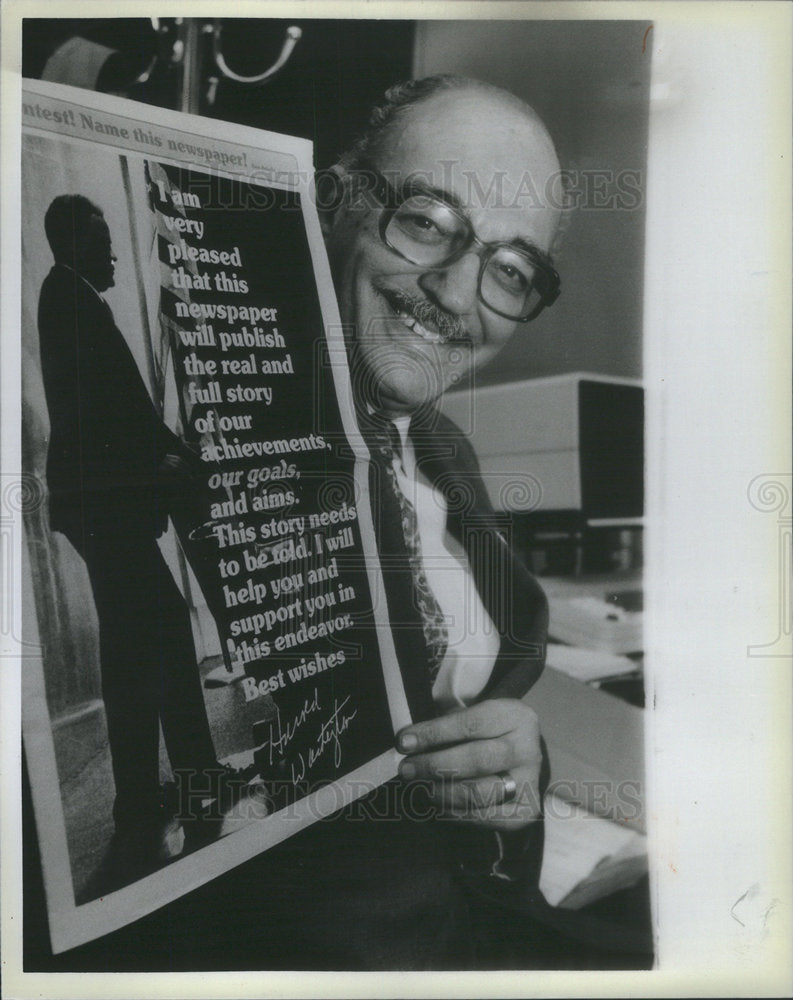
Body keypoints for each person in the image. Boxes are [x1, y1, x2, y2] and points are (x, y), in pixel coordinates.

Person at [28, 76, 563, 969]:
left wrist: (514, 776)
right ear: (330, 202)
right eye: (427, 220)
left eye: (510, 270)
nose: (457, 294)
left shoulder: (445, 453)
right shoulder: (235, 430)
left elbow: (491, 709)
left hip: (467, 941)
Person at [37, 195, 241, 881]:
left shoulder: (69, 297)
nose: (115, 253)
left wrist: (171, 448)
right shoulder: (68, 299)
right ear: (72, 240)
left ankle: (141, 801)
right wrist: (166, 456)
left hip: (99, 505)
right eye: (103, 240)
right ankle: (196, 783)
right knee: (164, 632)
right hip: (103, 504)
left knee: (132, 653)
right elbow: (102, 410)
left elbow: (115, 406)